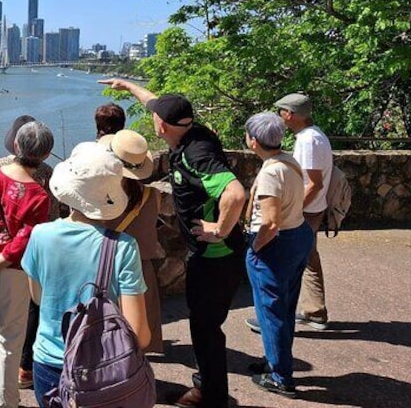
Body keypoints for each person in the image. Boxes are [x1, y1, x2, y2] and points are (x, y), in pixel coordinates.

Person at [99, 79, 247, 408]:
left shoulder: (197, 152)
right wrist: (126, 85)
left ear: (162, 126)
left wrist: (219, 229)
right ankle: (206, 386)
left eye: (155, 117)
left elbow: (236, 193)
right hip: (209, 254)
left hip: (215, 255)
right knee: (204, 322)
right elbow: (154, 101)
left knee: (205, 325)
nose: (152, 117)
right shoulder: (190, 130)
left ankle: (211, 396)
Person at [22, 142, 151, 407]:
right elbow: (139, 333)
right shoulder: (123, 247)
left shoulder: (40, 235)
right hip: (103, 367)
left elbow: (38, 298)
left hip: (48, 363)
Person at [0, 121, 53, 408]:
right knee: (9, 340)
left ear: (15, 146)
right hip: (12, 270)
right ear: (45, 155)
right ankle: (6, 402)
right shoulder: (38, 195)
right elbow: (24, 238)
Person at [242, 113, 314, 398]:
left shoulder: (271, 172)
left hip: (276, 244)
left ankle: (281, 376)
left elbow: (269, 224)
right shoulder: (288, 161)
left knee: (271, 312)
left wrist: (254, 248)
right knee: (283, 308)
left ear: (254, 141)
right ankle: (275, 361)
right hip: (298, 235)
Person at [0, 115, 61, 391]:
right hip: (36, 251)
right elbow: (54, 212)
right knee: (34, 308)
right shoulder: (48, 174)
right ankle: (25, 366)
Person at [98, 128, 165, 354]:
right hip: (140, 267)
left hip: (105, 264)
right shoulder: (152, 195)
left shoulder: (103, 197)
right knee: (137, 332)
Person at [275, 93, 333, 330]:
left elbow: (314, 183)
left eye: (281, 111)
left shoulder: (308, 140)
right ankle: (315, 311)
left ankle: (278, 316)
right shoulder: (315, 135)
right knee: (308, 259)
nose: (280, 116)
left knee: (285, 263)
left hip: (306, 212)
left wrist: (293, 210)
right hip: (314, 209)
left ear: (290, 114)